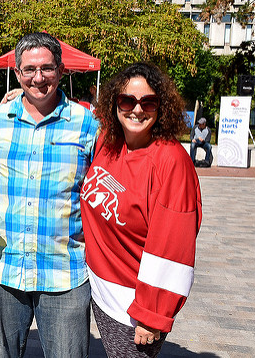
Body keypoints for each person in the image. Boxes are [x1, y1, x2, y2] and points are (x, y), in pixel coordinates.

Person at [0, 32, 98, 358]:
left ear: (61, 71)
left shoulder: (86, 124)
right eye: (29, 69)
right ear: (17, 73)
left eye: (47, 68)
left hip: (65, 272)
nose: (38, 77)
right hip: (4, 269)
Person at [81, 62, 202, 357]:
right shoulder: (108, 143)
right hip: (100, 291)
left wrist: (153, 315)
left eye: (148, 102)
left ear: (161, 107)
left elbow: (173, 246)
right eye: (127, 100)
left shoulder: (171, 161)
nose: (137, 109)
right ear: (114, 104)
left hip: (134, 305)